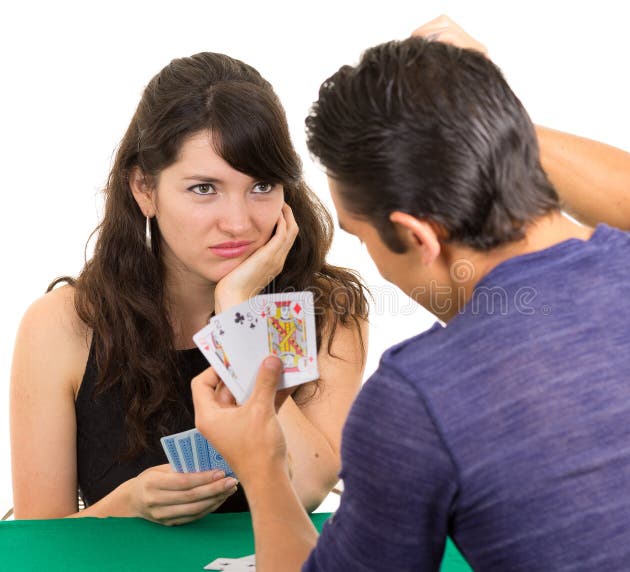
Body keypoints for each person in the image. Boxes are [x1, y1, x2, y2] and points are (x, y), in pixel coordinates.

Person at [192, 16, 630, 571]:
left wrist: (262, 464)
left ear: (416, 236)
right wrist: (482, 116)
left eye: (362, 237)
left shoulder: (419, 395)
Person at [9, 52, 368, 526]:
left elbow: (305, 487)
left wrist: (237, 311)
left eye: (261, 186)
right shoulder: (64, 326)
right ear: (144, 188)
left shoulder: (326, 312)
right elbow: (34, 542)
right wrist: (126, 506)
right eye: (204, 188)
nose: (239, 222)